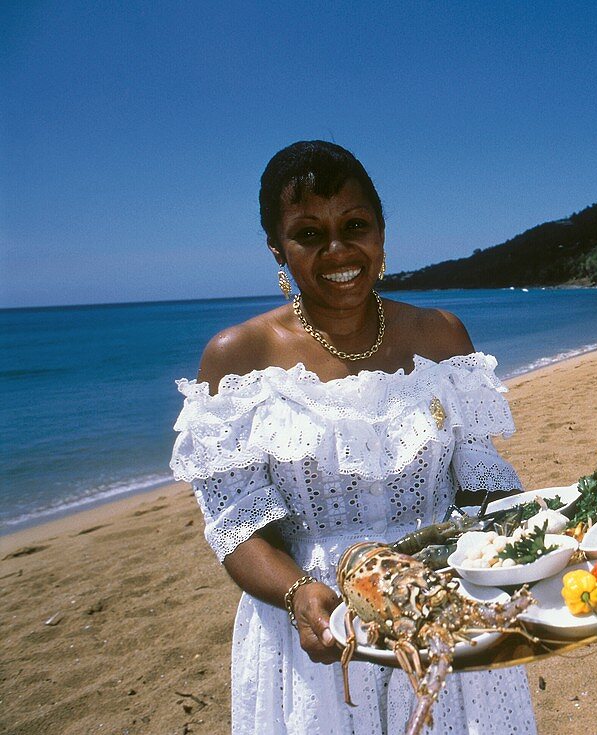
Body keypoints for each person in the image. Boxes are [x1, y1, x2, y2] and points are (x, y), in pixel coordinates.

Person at [170, 141, 537, 734]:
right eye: (309, 234)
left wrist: (522, 547)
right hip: (323, 629)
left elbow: (480, 483)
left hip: (447, 603)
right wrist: (296, 594)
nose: (338, 250)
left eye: (356, 225)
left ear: (382, 235)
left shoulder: (441, 336)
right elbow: (236, 525)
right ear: (277, 248)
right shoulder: (239, 357)